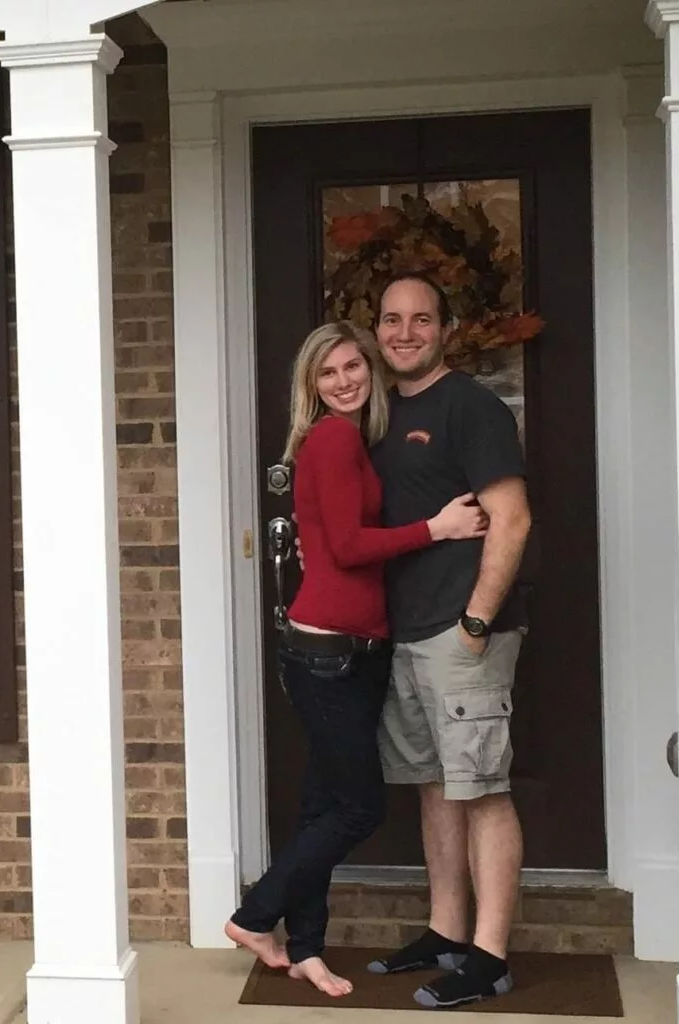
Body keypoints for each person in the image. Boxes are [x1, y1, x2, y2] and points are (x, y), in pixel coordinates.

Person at [224, 320, 488, 998]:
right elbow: (343, 547)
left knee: (321, 805)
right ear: (309, 386)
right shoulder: (335, 438)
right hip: (328, 654)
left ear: (368, 370)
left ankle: (306, 946)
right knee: (357, 809)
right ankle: (256, 915)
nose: (343, 380)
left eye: (352, 367)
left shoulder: (347, 441)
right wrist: (440, 527)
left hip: (347, 650)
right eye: (327, 372)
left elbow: (336, 537)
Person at [363, 272, 532, 1010]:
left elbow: (512, 518)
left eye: (420, 319)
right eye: (392, 319)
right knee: (434, 786)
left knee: (482, 791)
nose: (404, 331)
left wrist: (475, 622)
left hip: (461, 634)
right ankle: (445, 931)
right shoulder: (377, 414)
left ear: (445, 327)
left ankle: (489, 957)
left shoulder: (470, 406)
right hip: (404, 633)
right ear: (376, 329)